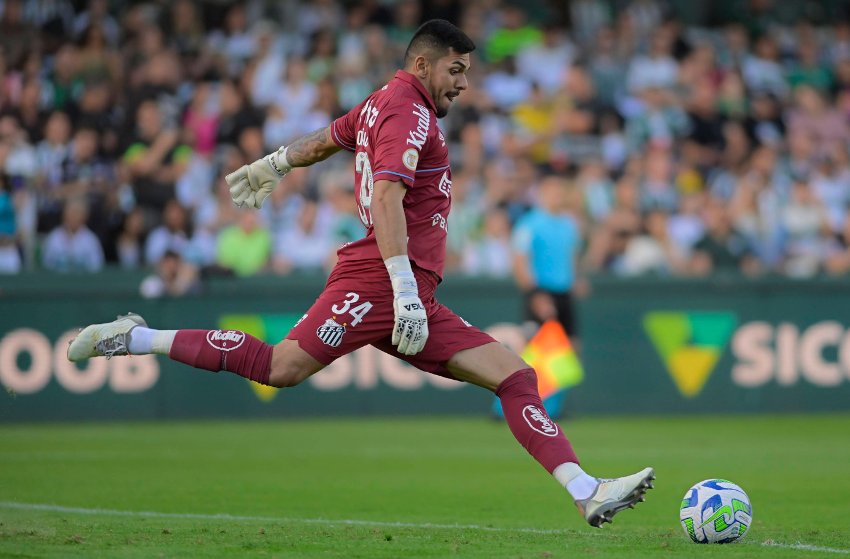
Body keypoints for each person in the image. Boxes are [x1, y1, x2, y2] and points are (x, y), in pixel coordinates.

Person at [68, 20, 653, 528]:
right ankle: (134, 336)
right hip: (380, 280)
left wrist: (273, 163)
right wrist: (401, 289)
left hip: (407, 289)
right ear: (422, 63)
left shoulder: (382, 102)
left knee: (516, 376)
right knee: (279, 367)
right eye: (455, 69)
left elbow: (328, 138)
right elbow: (391, 197)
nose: (464, 82)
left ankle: (585, 491)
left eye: (468, 71)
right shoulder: (407, 110)